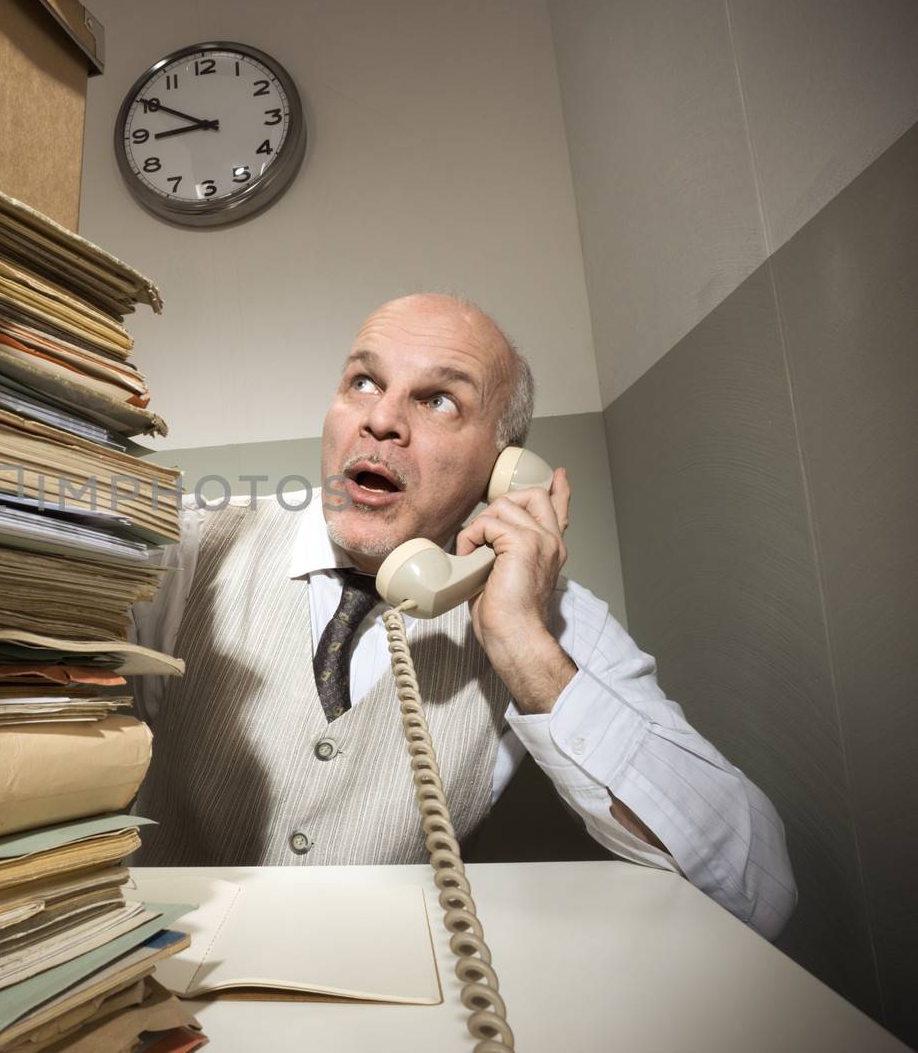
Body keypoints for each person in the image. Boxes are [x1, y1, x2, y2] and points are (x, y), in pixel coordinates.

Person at [128, 293, 796, 940]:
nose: (382, 420)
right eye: (363, 382)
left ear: (503, 469)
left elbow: (757, 891)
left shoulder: (540, 614)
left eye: (438, 399)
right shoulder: (191, 550)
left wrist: (523, 646)